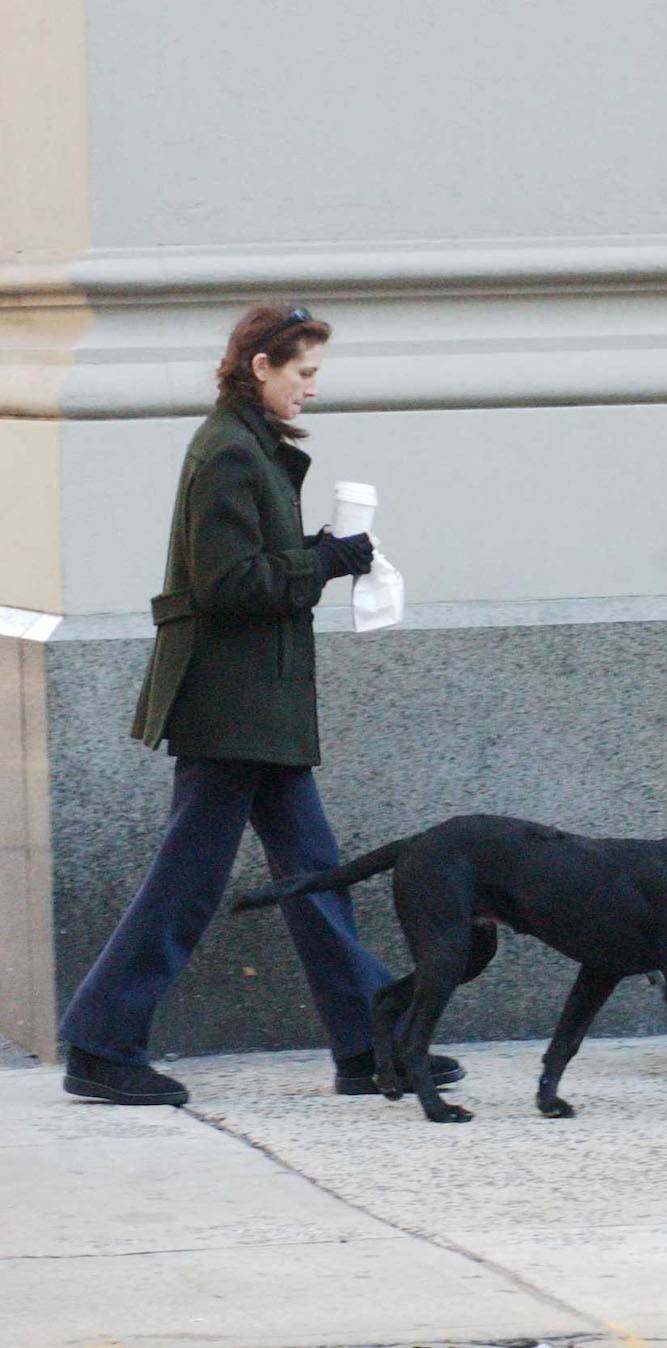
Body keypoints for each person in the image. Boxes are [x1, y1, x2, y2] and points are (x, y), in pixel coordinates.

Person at [60, 303, 464, 1105]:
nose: (311, 389)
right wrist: (320, 564)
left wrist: (317, 553)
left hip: (257, 704)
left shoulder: (250, 448)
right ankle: (102, 1041)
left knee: (316, 872)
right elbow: (227, 584)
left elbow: (252, 564)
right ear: (261, 368)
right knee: (189, 880)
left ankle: (366, 1041)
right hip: (229, 704)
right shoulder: (228, 453)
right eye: (303, 372)